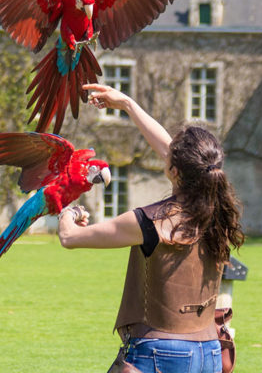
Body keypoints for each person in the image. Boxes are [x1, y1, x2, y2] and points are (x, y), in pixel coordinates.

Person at [58, 83, 244, 373]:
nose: (165, 153)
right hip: (209, 351)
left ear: (175, 171)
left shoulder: (148, 222)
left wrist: (69, 212)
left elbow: (70, 238)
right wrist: (127, 104)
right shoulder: (217, 213)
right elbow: (173, 154)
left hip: (159, 352)